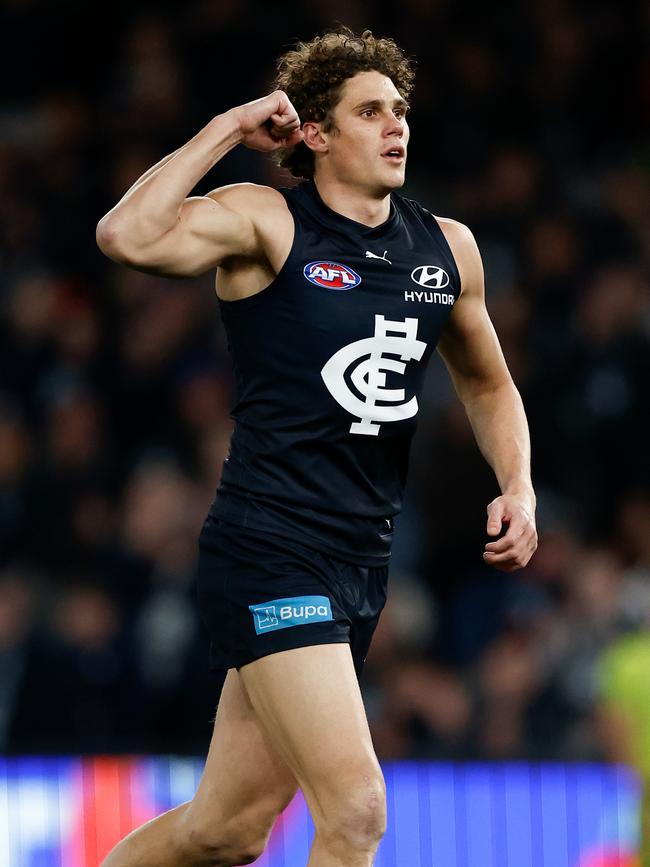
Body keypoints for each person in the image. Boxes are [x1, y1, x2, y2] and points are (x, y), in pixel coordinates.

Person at [96, 27, 537, 867]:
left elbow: (487, 383)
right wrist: (230, 129)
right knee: (358, 808)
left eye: (400, 110)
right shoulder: (267, 222)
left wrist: (517, 483)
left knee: (224, 829)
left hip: (361, 558)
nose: (395, 126)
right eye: (369, 112)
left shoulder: (447, 248)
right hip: (271, 545)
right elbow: (127, 236)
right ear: (316, 133)